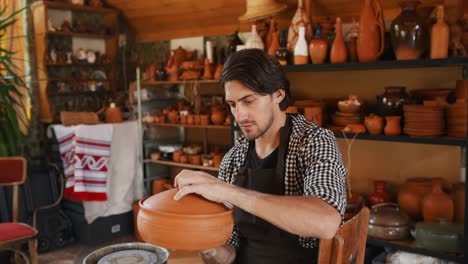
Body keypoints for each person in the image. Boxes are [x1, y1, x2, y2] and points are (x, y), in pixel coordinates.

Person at [173, 49, 347, 264]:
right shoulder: (233, 159)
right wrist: (210, 248)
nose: (240, 116)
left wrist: (228, 192)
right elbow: (230, 253)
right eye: (233, 105)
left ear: (278, 95)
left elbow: (326, 221)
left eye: (249, 101)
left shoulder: (314, 141)